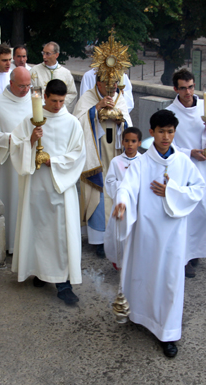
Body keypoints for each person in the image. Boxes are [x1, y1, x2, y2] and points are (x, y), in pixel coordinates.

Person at [112, 109, 205, 357]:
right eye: (161, 132)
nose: (166, 137)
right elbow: (127, 187)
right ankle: (142, 317)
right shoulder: (141, 162)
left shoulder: (183, 163)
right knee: (145, 276)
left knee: (170, 281)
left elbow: (198, 188)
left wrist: (171, 192)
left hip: (173, 234)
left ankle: (168, 333)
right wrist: (122, 202)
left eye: (171, 132)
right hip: (146, 232)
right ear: (151, 133)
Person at [9, 79, 86, 305]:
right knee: (37, 231)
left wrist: (54, 160)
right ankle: (41, 272)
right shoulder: (31, 121)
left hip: (60, 187)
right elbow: (16, 145)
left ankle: (63, 284)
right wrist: (31, 141)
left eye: (62, 101)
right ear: (45, 97)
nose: (58, 105)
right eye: (54, 100)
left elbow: (78, 154)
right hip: (36, 187)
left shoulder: (71, 123)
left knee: (60, 235)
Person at [166, 69, 206, 279]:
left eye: (191, 86)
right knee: (185, 213)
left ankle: (197, 250)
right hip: (183, 168)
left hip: (203, 167)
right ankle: (184, 257)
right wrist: (189, 152)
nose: (188, 91)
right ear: (176, 89)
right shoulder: (170, 113)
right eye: (183, 88)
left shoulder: (204, 108)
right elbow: (166, 145)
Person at [73, 76, 132, 257]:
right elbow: (77, 122)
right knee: (98, 194)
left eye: (115, 82)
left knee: (116, 190)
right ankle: (99, 240)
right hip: (96, 156)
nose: (113, 86)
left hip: (114, 154)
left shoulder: (119, 98)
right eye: (108, 82)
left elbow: (128, 125)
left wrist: (120, 120)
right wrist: (96, 109)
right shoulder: (88, 98)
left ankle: (117, 236)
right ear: (98, 83)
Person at [0, 67, 32, 254]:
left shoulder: (35, 101)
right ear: (11, 83)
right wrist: (8, 139)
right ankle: (11, 244)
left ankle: (28, 244)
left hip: (30, 163)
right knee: (12, 200)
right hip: (8, 167)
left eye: (28, 85)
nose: (25, 90)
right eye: (21, 86)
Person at [103, 127, 142, 268]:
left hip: (137, 205)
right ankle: (120, 262)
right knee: (119, 232)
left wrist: (134, 188)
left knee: (136, 233)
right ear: (122, 141)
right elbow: (110, 181)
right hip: (120, 204)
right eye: (127, 141)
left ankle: (135, 264)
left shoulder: (143, 161)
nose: (130, 144)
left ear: (139, 142)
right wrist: (124, 186)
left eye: (133, 141)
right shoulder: (116, 161)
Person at [30, 41, 78, 111]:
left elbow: (72, 94)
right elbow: (31, 93)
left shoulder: (66, 73)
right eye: (43, 53)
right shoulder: (34, 71)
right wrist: (47, 106)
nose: (44, 57)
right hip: (41, 111)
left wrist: (58, 105)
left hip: (59, 111)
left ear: (56, 55)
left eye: (48, 54)